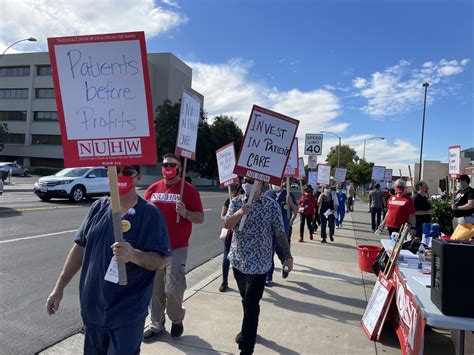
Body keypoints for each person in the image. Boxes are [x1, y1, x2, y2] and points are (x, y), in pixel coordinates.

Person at [46, 165, 171, 354]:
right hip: (93, 308)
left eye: (127, 173)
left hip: (127, 313)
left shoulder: (150, 214)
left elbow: (161, 261)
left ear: (138, 177)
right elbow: (79, 248)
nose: (121, 176)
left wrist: (133, 255)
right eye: (116, 171)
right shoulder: (98, 207)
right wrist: (58, 288)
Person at [225, 179, 293, 355]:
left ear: (260, 184)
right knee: (245, 300)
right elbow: (227, 225)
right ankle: (247, 331)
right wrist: (241, 212)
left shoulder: (270, 205)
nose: (246, 184)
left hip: (260, 264)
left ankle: (247, 348)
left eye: (250, 181)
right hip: (238, 261)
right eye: (244, 180)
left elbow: (279, 232)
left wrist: (288, 256)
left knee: (251, 304)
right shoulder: (236, 202)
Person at [143, 153, 204, 342]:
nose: (167, 167)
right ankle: (156, 324)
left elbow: (200, 218)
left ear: (179, 168)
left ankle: (176, 319)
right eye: (165, 164)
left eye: (172, 164)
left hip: (177, 248)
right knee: (155, 290)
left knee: (173, 289)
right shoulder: (153, 189)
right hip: (154, 248)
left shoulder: (188, 191)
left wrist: (185, 212)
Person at [264, 180, 298, 285]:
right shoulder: (268, 193)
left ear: (282, 183)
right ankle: (268, 277)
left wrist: (291, 203)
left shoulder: (288, 194)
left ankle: (285, 266)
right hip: (269, 229)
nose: (275, 184)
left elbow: (296, 210)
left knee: (281, 250)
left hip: (282, 229)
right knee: (269, 253)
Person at [219, 183, 244, 292]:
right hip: (230, 232)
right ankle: (224, 281)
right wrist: (231, 218)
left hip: (242, 232)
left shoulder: (244, 200)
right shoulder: (229, 200)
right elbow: (223, 216)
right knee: (226, 256)